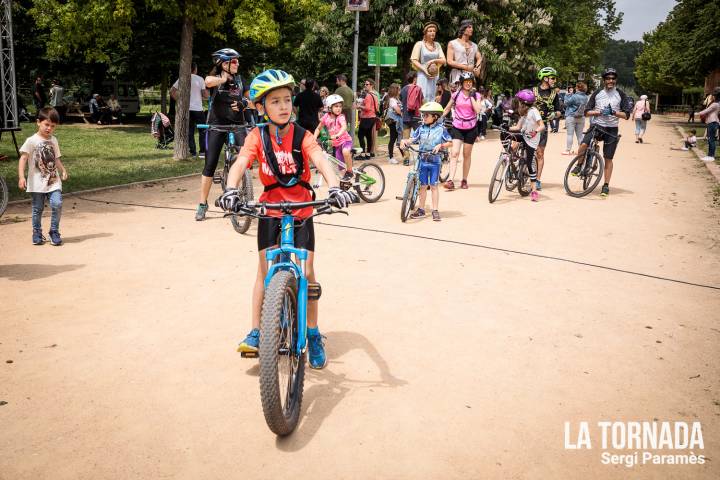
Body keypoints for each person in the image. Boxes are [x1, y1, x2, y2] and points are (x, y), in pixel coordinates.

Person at [218, 69, 357, 367]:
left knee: (307, 273)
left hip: (302, 208)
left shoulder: (303, 136)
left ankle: (313, 333)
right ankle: (257, 331)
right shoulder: (257, 136)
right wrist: (230, 190)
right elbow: (241, 161)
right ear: (260, 108)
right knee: (262, 271)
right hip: (269, 210)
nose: (283, 106)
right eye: (275, 102)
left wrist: (334, 187)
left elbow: (320, 159)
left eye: (286, 100)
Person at [195, 48, 250, 221]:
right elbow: (207, 81)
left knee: (246, 161)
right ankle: (203, 204)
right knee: (210, 165)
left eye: (237, 61)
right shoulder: (215, 79)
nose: (237, 64)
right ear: (223, 64)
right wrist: (223, 79)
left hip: (238, 125)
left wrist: (244, 103)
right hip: (217, 126)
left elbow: (254, 103)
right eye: (234, 61)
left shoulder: (241, 81)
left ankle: (242, 194)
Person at [571, 67, 633, 197]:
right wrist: (599, 112)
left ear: (615, 80)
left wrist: (614, 112)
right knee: (583, 145)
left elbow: (627, 115)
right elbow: (586, 112)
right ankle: (579, 164)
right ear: (604, 80)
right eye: (608, 78)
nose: (611, 80)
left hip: (612, 128)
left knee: (608, 158)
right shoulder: (597, 93)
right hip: (597, 125)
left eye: (613, 78)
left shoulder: (621, 94)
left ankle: (605, 186)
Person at [18, 107, 68, 246]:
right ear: (38, 122)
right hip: (36, 183)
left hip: (53, 181)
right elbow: (23, 159)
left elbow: (56, 158)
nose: (49, 128)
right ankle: (37, 232)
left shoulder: (54, 140)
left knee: (57, 203)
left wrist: (63, 170)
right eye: (47, 124)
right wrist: (22, 177)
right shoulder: (31, 140)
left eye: (53, 126)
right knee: (37, 209)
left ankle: (54, 231)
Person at [400, 102, 452, 221]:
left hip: (435, 161)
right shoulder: (421, 128)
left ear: (435, 117)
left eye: (426, 115)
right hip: (422, 159)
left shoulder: (441, 129)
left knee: (433, 186)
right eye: (423, 115)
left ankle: (435, 210)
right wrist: (405, 141)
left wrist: (441, 145)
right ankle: (421, 209)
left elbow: (450, 142)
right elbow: (413, 139)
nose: (424, 117)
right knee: (423, 186)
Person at [441, 71, 482, 190]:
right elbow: (447, 108)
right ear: (462, 83)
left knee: (466, 155)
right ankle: (450, 181)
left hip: (471, 128)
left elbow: (478, 110)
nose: (468, 84)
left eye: (470, 82)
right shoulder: (456, 95)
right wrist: (438, 118)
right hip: (457, 127)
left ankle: (464, 179)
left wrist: (472, 97)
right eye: (466, 82)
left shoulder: (476, 95)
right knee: (454, 153)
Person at [509, 89, 544, 202]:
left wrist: (535, 132)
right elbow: (518, 128)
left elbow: (542, 126)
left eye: (519, 102)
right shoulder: (523, 113)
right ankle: (510, 156)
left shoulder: (534, 111)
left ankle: (534, 191)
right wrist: (506, 128)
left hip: (531, 140)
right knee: (505, 136)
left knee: (530, 164)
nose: (517, 104)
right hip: (524, 136)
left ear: (523, 103)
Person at [532, 67, 562, 190]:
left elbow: (559, 111)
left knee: (540, 153)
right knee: (516, 146)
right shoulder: (533, 90)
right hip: (529, 124)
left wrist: (555, 114)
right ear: (545, 78)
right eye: (553, 78)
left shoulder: (554, 94)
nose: (554, 80)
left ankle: (538, 180)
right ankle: (512, 168)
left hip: (543, 127)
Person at [171, 62, 208, 157]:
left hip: (187, 109)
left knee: (190, 131)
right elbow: (204, 95)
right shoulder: (200, 79)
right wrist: (207, 96)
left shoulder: (182, 79)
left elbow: (172, 91)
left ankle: (193, 152)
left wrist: (179, 102)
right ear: (195, 69)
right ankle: (202, 152)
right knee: (203, 130)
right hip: (198, 109)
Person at [314, 94, 354, 180]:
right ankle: (345, 184)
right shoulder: (326, 117)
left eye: (340, 106)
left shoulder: (341, 117)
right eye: (336, 106)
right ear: (329, 107)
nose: (339, 108)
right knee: (341, 169)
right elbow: (318, 128)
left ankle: (350, 171)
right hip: (336, 145)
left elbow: (344, 126)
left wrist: (338, 135)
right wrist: (314, 139)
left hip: (345, 141)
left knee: (346, 152)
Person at [411, 21, 447, 103]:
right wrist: (424, 69)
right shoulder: (419, 44)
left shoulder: (437, 45)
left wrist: (434, 60)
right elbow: (414, 60)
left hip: (434, 73)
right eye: (430, 31)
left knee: (432, 94)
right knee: (422, 94)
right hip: (423, 73)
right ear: (425, 33)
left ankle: (431, 114)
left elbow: (443, 60)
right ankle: (421, 114)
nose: (432, 33)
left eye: (434, 31)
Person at [446, 19, 483, 86]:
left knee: (470, 96)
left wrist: (477, 68)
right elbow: (449, 61)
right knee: (457, 95)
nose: (472, 29)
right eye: (469, 27)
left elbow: (479, 58)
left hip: (470, 77)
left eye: (472, 27)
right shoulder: (453, 43)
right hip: (457, 76)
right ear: (463, 28)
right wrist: (466, 67)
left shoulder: (474, 45)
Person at [400, 72, 422, 165]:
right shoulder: (418, 89)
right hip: (416, 117)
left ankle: (406, 159)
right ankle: (422, 157)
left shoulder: (403, 89)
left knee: (405, 139)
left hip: (405, 117)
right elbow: (422, 101)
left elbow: (401, 101)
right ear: (414, 79)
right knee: (421, 137)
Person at [562, 81, 588, 155]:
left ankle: (568, 150)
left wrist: (567, 95)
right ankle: (581, 150)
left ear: (578, 88)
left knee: (570, 134)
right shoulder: (586, 97)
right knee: (580, 135)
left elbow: (566, 103)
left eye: (576, 87)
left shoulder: (574, 96)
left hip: (571, 116)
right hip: (581, 117)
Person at [357, 78, 379, 159]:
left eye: (367, 84)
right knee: (369, 136)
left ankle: (362, 154)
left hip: (367, 118)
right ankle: (369, 154)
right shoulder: (375, 95)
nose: (365, 86)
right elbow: (376, 107)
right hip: (372, 117)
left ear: (371, 85)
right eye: (365, 84)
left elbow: (367, 108)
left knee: (360, 135)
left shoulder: (369, 96)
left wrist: (359, 106)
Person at [385, 83, 404, 164]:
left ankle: (404, 155)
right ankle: (391, 157)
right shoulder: (392, 100)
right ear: (395, 90)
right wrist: (402, 113)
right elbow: (398, 110)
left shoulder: (396, 99)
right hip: (393, 121)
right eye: (399, 89)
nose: (400, 91)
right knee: (393, 138)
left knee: (398, 138)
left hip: (396, 121)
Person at [698, 91, 719, 162]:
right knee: (710, 139)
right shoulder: (717, 103)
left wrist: (697, 113)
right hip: (713, 122)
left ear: (715, 96)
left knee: (711, 139)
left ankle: (711, 156)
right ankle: (709, 155)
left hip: (712, 122)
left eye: (713, 95)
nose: (712, 96)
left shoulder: (715, 104)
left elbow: (706, 110)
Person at [334, 74, 355, 141]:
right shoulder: (351, 91)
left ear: (342, 81)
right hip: (348, 114)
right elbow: (353, 103)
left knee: (338, 133)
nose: (336, 83)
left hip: (339, 114)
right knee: (345, 132)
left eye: (337, 81)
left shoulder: (338, 90)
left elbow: (334, 102)